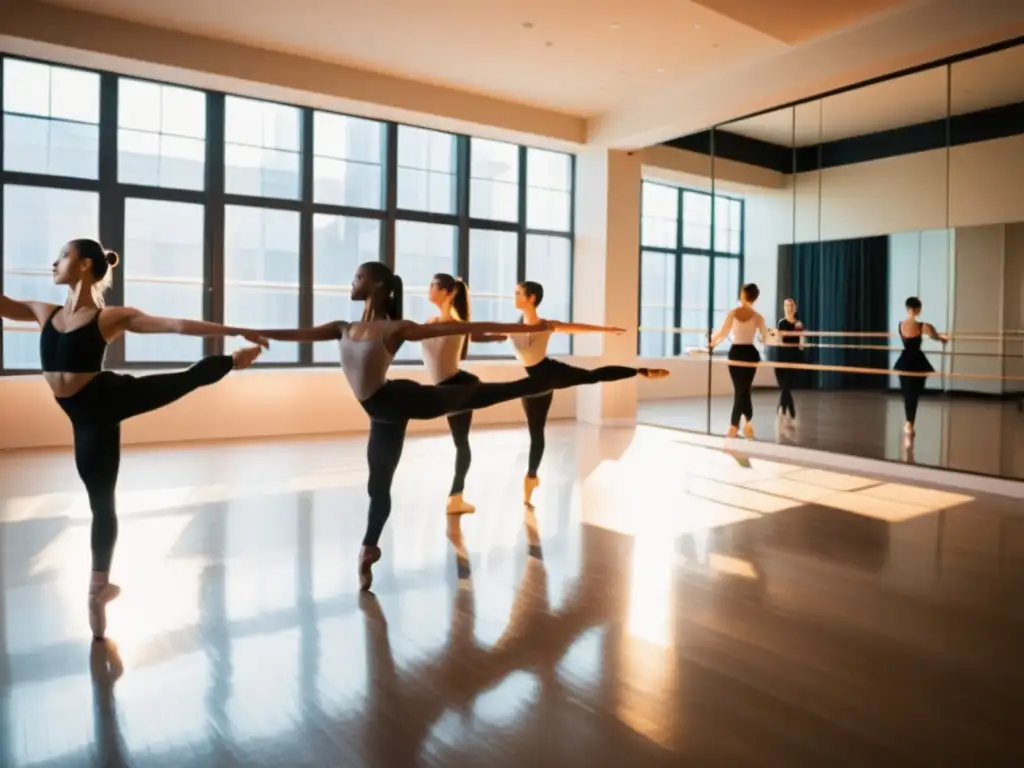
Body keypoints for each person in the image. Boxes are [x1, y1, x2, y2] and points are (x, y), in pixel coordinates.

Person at [0, 238, 267, 640]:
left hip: (109, 397)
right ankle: (100, 588)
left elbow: (176, 325)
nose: (53, 262)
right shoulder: (44, 311)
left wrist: (235, 330)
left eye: (63, 256)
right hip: (85, 420)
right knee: (101, 503)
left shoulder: (109, 317)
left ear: (86, 264)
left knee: (185, 379)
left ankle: (235, 359)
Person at [255, 262, 562, 591]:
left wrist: (516, 330)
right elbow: (300, 334)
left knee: (481, 394)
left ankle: (542, 383)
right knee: (377, 488)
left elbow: (452, 330)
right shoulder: (342, 326)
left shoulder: (395, 328)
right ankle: (368, 548)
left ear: (376, 285)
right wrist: (250, 333)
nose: (352, 281)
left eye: (358, 276)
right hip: (382, 412)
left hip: (399, 399)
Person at [505, 280, 669, 506]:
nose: (514, 297)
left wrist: (607, 330)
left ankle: (640, 371)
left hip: (551, 372)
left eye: (517, 293)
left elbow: (577, 328)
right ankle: (532, 477)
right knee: (536, 433)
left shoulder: (545, 324)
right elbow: (482, 333)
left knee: (592, 375)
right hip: (534, 382)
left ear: (531, 298)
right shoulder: (512, 327)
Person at [423, 273, 507, 515]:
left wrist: (505, 334)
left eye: (433, 286)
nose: (428, 289)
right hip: (446, 387)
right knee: (460, 442)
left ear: (448, 293)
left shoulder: (457, 323)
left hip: (457, 387)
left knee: (461, 442)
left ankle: (456, 497)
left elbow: (476, 334)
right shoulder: (431, 321)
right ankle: (456, 497)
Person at [709, 283, 770, 439]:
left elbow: (722, 333)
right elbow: (765, 338)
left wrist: (712, 341)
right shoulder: (758, 317)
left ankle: (734, 426)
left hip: (737, 353)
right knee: (744, 390)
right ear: (755, 298)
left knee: (741, 390)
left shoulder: (734, 313)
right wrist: (713, 342)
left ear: (743, 294)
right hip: (749, 353)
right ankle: (747, 423)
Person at [894, 296, 947, 442]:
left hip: (905, 361)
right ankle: (909, 423)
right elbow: (935, 336)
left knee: (908, 394)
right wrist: (942, 339)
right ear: (917, 310)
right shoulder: (923, 326)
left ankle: (909, 422)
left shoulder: (900, 326)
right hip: (917, 361)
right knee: (914, 393)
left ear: (907, 309)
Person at [775, 297, 803, 427]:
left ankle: (785, 410)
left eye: (791, 306)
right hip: (782, 356)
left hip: (793, 357)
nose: (789, 308)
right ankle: (786, 409)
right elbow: (779, 339)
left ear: (794, 308)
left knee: (786, 386)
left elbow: (801, 343)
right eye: (786, 306)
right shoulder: (781, 322)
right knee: (784, 386)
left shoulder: (799, 324)